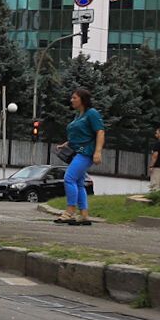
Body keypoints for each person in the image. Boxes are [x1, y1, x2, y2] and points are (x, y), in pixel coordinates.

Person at [55, 87, 103, 226]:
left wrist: (98, 152)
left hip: (86, 152)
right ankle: (84, 215)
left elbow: (100, 132)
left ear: (83, 100)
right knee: (79, 183)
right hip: (78, 150)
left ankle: (70, 211)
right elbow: (80, 134)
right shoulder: (79, 115)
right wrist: (66, 144)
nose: (71, 100)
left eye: (74, 97)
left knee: (69, 178)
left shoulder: (92, 113)